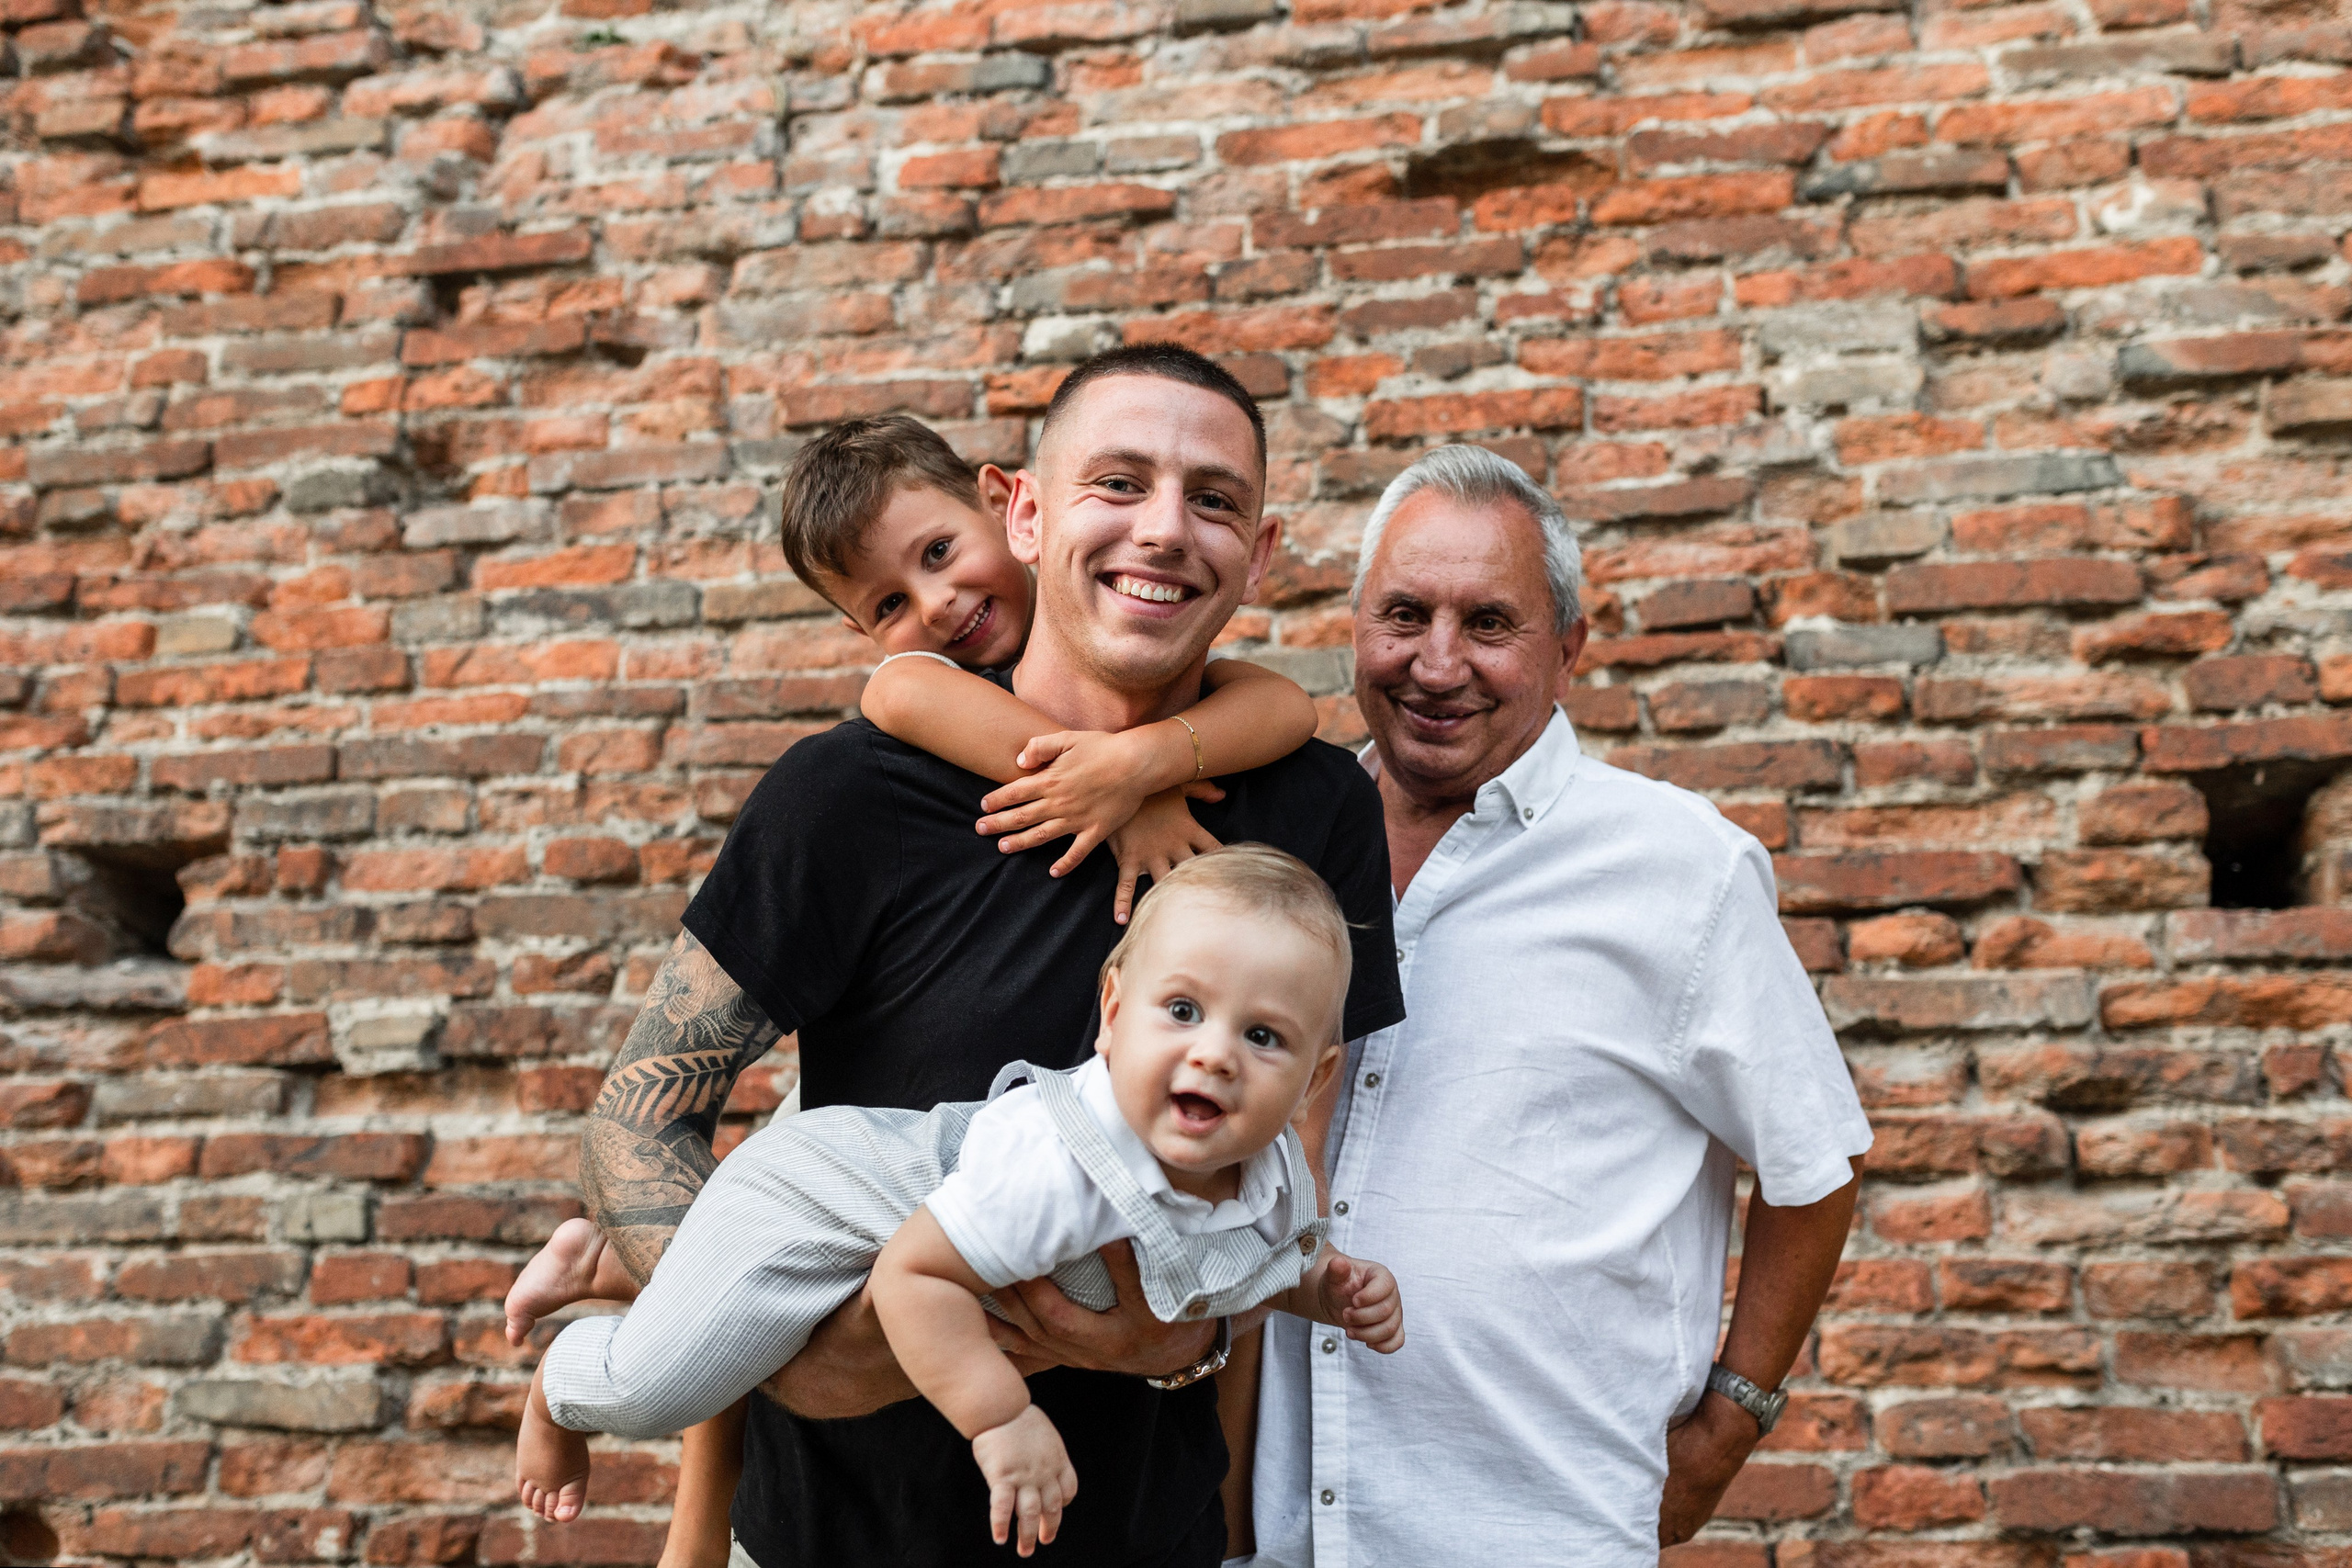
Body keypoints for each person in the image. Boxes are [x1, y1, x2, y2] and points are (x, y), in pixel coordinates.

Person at [573, 344, 1405, 1568]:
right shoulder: (847, 791)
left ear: (1260, 551)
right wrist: (803, 1346)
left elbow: (1287, 1176)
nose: (1167, 530)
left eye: (1213, 497)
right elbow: (634, 1123)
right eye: (1118, 482)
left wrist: (1183, 1342)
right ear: (1022, 510)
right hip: (839, 1534)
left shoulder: (1312, 805)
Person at [503, 414, 1323, 1348]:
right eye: (888, 605)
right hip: (869, 1173)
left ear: (1001, 506)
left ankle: (615, 1274)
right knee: (776, 1268)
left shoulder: (1208, 718)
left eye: (940, 551)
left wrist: (1138, 764)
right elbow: (897, 691)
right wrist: (1119, 792)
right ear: (860, 631)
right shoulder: (911, 704)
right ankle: (623, 1333)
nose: (932, 604)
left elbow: (1286, 705)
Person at [1244, 446, 1872, 1566]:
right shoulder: (1273, 846)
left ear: (1568, 651)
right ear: (1353, 629)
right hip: (1269, 1536)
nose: (1437, 665)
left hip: (1532, 1530)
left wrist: (1729, 1426)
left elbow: (1813, 1168)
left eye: (1489, 624)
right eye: (1403, 615)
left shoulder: (1681, 870)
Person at [515, 848, 1405, 1560]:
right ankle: (568, 1381)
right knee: (663, 1387)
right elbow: (911, 1278)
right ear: (1112, 1011)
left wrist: (1323, 1288)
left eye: (1262, 1036)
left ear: (1312, 1078)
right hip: (815, 1202)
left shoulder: (1268, 1169)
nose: (1214, 1055)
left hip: (931, 1235)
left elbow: (1252, 1262)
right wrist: (1002, 1417)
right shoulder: (1061, 1162)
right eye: (1181, 1010)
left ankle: (604, 1262)